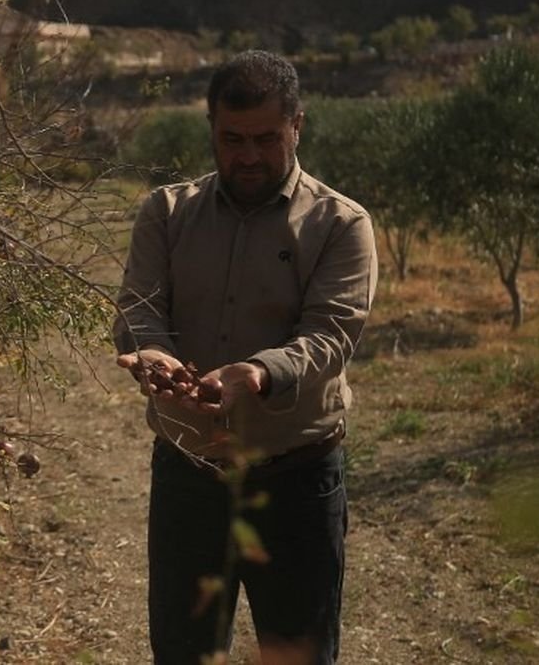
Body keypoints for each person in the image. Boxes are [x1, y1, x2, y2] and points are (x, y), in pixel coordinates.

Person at [112, 50, 378, 664]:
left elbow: (332, 334)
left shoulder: (340, 224)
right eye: (232, 139)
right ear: (210, 129)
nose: (249, 155)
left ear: (297, 128)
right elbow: (139, 309)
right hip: (189, 478)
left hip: (296, 481)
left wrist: (257, 374)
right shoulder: (167, 212)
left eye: (266, 139)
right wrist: (153, 355)